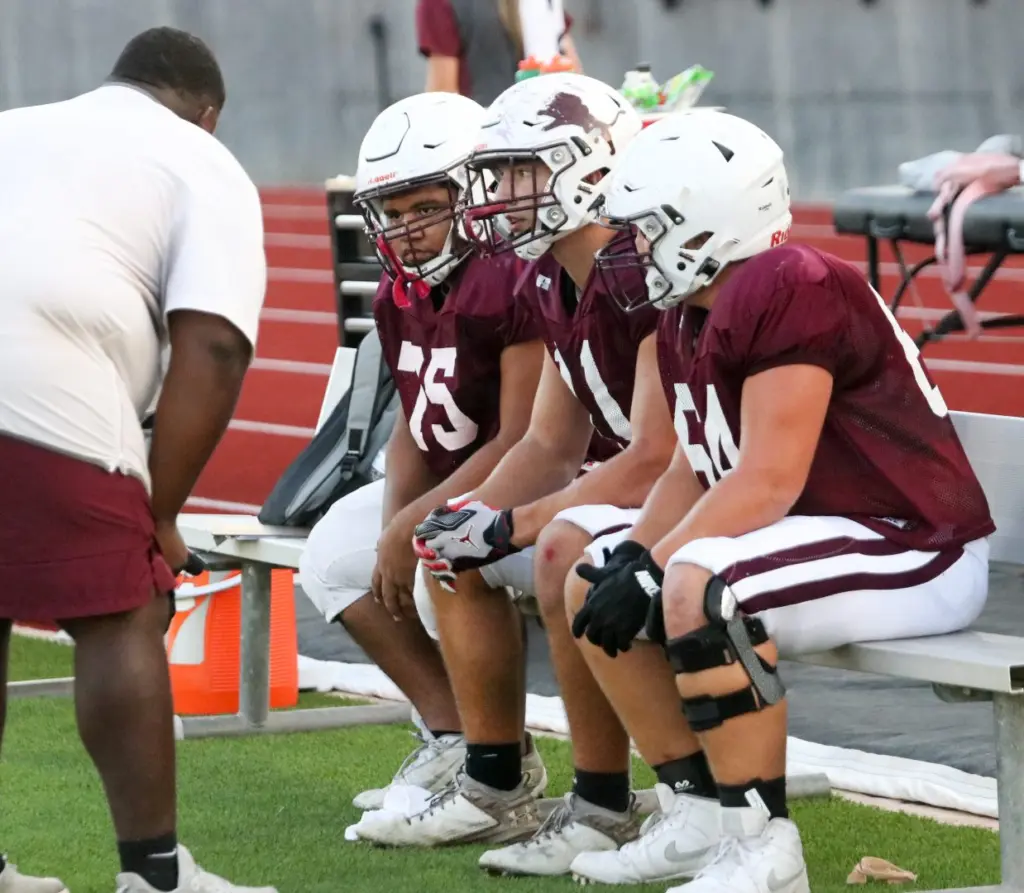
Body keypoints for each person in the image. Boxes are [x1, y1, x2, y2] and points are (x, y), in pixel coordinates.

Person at [565, 109, 994, 892]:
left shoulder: (791, 282)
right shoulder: (687, 312)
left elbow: (768, 479)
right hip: (829, 534)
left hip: (912, 542)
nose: (629, 249)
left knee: (700, 585)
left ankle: (763, 845)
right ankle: (696, 814)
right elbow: (693, 467)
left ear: (705, 220)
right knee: (593, 575)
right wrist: (631, 556)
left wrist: (656, 568)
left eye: (646, 228)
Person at [357, 73, 694, 873]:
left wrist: (514, 520)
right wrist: (463, 518)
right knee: (454, 542)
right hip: (635, 483)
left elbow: (655, 452)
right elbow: (545, 443)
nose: (498, 194)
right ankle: (493, 781)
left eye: (517, 171)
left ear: (592, 167)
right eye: (497, 173)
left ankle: (612, 798)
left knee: (557, 547)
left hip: (701, 488)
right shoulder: (548, 274)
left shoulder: (642, 270)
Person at [0, 26, 272, 893]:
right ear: (209, 114)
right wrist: (159, 513)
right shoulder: (201, 159)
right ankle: (155, 876)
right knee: (122, 608)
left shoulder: (17, 124)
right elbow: (215, 346)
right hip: (43, 369)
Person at [298, 91, 547, 811]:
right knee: (332, 556)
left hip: (532, 485)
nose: (407, 231)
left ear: (473, 193)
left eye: (426, 208)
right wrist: (393, 522)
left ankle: (506, 761)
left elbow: (521, 438)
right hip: (457, 479)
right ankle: (454, 734)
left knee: (440, 549)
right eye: (393, 212)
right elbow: (413, 415)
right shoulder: (400, 291)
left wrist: (414, 523)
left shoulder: (512, 276)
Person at [416, 0, 581, 104]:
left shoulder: (439, 4)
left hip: (485, 138)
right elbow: (576, 76)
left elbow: (442, 98)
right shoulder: (545, 4)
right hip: (552, 130)